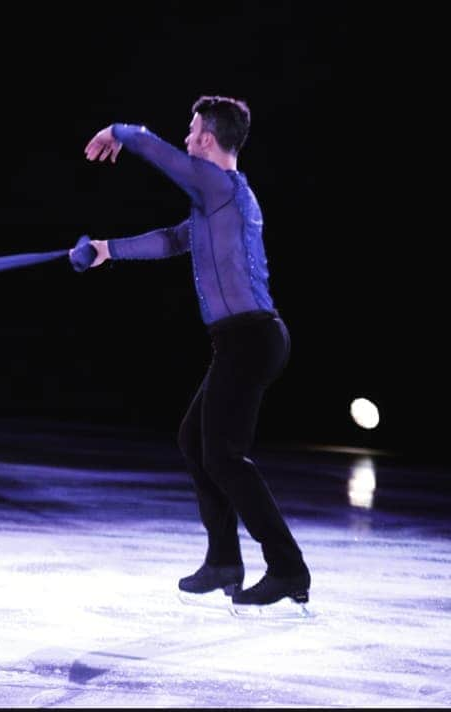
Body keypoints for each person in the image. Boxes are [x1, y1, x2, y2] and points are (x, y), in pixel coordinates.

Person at [71, 96, 311, 607]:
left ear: (207, 137)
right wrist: (107, 250)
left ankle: (288, 567)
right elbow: (173, 240)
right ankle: (224, 558)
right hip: (242, 339)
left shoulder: (220, 185)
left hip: (251, 336)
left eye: (191, 128)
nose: (186, 137)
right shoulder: (218, 200)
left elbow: (162, 155)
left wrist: (121, 129)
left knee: (224, 455)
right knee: (194, 440)